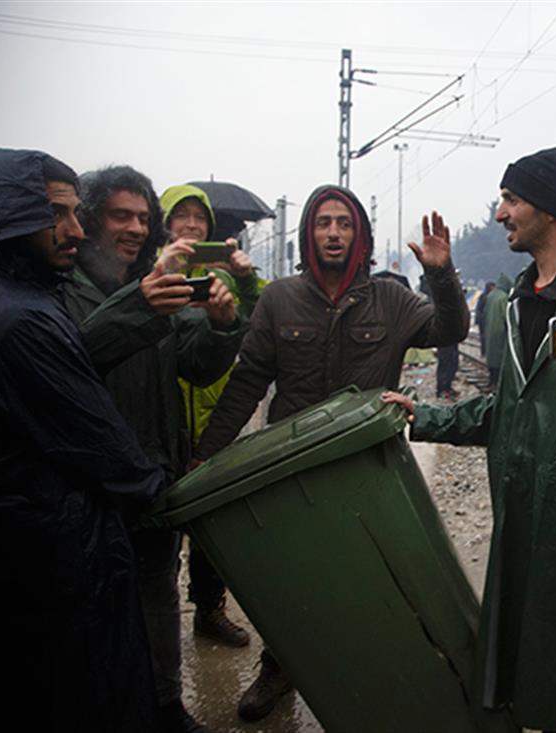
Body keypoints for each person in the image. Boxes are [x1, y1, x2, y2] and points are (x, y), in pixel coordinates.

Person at [384, 147, 556, 733]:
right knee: (540, 667)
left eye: (511, 199)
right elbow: (515, 404)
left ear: (551, 208)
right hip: (526, 514)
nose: (499, 213)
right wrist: (428, 418)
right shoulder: (524, 296)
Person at [193, 184, 469, 723]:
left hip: (365, 470)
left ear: (359, 234)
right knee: (290, 578)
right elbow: (248, 382)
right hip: (290, 471)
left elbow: (450, 328)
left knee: (371, 577)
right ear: (309, 233)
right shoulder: (280, 299)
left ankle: (371, 674)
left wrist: (441, 273)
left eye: (344, 223)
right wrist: (207, 453)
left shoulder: (391, 299)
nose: (334, 233)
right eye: (324, 223)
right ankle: (279, 667)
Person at [0, 148, 167, 732]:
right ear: (11, 216)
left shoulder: (20, 298)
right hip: (54, 557)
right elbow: (109, 452)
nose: (75, 230)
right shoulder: (24, 320)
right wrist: (166, 487)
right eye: (58, 214)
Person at [65, 165, 246, 733]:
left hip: (153, 473)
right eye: (122, 216)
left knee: (159, 597)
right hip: (92, 483)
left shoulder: (158, 280)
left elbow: (196, 364)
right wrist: (139, 303)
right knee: (92, 607)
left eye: (144, 217)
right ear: (92, 220)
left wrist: (220, 325)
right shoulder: (66, 286)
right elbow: (75, 359)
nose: (137, 229)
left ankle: (166, 706)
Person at [159, 183, 264, 648]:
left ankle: (208, 610)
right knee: (161, 532)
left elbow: (263, 314)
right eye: (180, 216)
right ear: (165, 225)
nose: (191, 225)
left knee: (212, 528)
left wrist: (242, 278)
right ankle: (158, 619)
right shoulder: (150, 272)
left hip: (217, 416)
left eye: (198, 218)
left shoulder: (221, 274)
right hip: (165, 418)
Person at [483, 273, 512, 387]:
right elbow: (506, 315)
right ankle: (497, 382)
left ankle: (491, 380)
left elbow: (484, 312)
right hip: (500, 332)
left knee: (491, 355)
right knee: (499, 358)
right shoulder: (503, 297)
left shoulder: (491, 295)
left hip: (489, 330)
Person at [476, 280, 495, 356]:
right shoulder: (485, 297)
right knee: (484, 337)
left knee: (485, 337)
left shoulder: (484, 297)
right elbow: (479, 309)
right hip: (484, 320)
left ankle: (485, 352)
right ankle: (484, 352)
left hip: (485, 320)